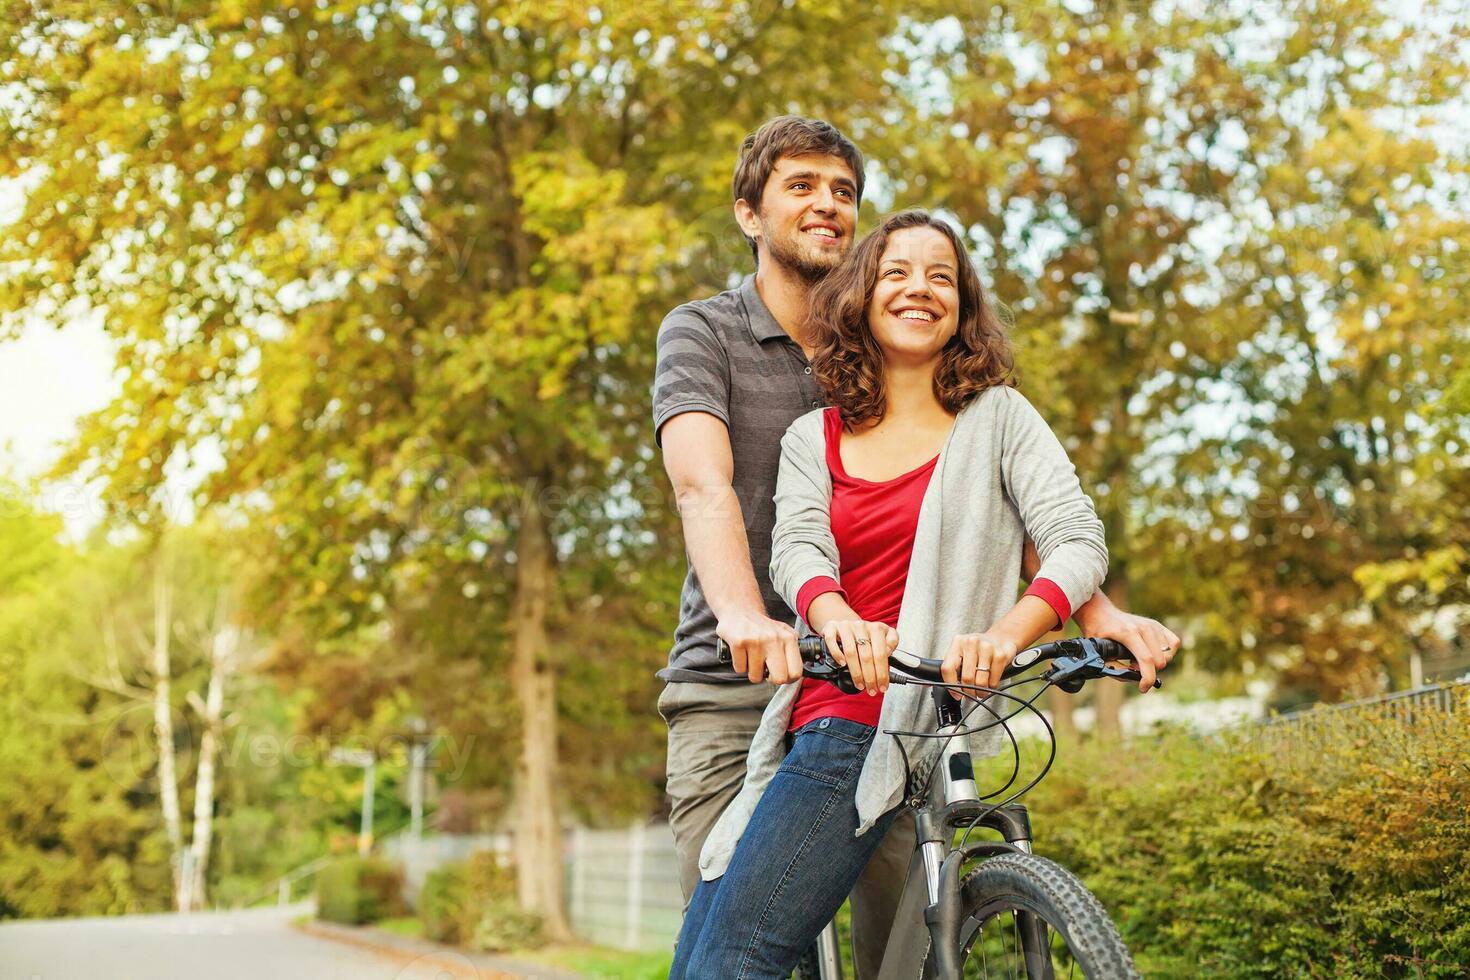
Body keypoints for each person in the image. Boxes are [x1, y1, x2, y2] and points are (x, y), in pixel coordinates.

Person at [653, 118, 1179, 976]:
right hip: (738, 678)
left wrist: (1093, 611)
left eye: (844, 192)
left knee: (893, 947)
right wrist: (753, 617)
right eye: (801, 186)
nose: (827, 205)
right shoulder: (715, 341)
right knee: (728, 940)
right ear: (749, 214)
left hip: (907, 698)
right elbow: (711, 492)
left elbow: (997, 519)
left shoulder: (954, 394)